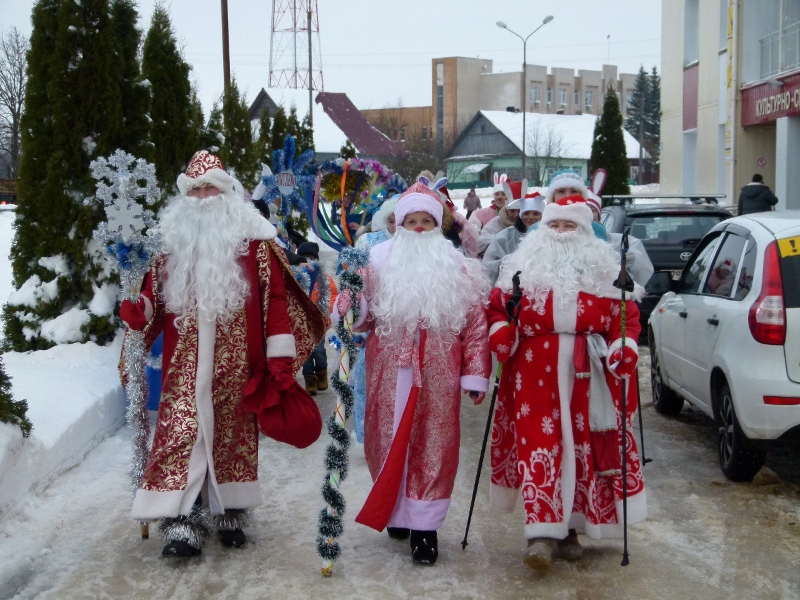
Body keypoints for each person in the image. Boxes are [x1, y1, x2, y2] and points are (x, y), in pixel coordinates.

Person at [119, 151, 327, 558]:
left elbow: (276, 303)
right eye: (194, 189)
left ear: (228, 190)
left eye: (209, 186)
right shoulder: (170, 246)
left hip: (237, 365)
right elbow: (153, 300)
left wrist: (279, 359)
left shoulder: (256, 245)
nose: (202, 195)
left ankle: (229, 511)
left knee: (232, 438)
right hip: (184, 367)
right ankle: (182, 521)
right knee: (181, 435)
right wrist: (137, 309)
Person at [486, 194, 647, 571]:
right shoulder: (519, 269)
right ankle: (540, 535)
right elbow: (497, 308)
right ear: (541, 230)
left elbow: (626, 318)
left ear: (585, 231)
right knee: (539, 446)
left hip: (587, 373)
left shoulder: (605, 272)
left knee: (581, 448)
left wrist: (623, 348)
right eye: (553, 225)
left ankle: (571, 530)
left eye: (569, 225)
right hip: (532, 376)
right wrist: (501, 333)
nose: (560, 233)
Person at [336, 181, 491, 565]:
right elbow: (359, 318)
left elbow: (474, 323)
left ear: (438, 226)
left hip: (440, 374)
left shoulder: (456, 268)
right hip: (389, 370)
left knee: (434, 443)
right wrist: (349, 297)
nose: (419, 228)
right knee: (385, 440)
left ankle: (425, 529)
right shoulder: (378, 262)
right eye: (411, 221)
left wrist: (474, 373)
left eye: (427, 221)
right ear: (399, 225)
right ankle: (394, 507)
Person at [294, 241, 337, 395]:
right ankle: (310, 380)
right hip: (301, 322)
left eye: (311, 257)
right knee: (305, 352)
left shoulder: (323, 278)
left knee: (318, 350)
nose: (308, 260)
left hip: (318, 320)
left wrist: (326, 309)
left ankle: (321, 372)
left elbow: (333, 295)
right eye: (304, 257)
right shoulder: (296, 277)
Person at [586, 191, 654, 288]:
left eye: (592, 210)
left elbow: (643, 274)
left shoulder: (622, 241)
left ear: (599, 215)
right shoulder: (565, 243)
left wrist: (634, 261)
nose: (587, 215)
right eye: (582, 210)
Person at [482, 190, 545, 284]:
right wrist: (510, 263)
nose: (531, 217)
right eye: (526, 213)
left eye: (536, 214)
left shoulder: (548, 236)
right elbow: (487, 266)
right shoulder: (506, 235)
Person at [477, 180, 526, 257]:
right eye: (512, 211)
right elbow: (482, 241)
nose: (516, 215)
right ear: (506, 211)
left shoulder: (529, 222)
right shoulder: (497, 222)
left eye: (519, 211)